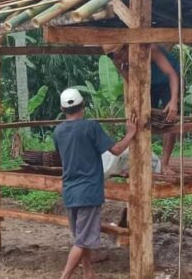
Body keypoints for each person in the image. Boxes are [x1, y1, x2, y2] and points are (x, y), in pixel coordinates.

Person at [53, 88, 138, 279]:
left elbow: (63, 157)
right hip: (88, 192)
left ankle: (88, 272)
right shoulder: (91, 127)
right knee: (82, 241)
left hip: (69, 191)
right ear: (83, 105)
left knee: (80, 237)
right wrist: (131, 133)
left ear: (62, 108)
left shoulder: (58, 132)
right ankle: (64, 276)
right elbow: (116, 150)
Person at [107, 44, 180, 174]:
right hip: (148, 82)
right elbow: (131, 82)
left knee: (170, 118)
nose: (118, 60)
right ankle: (136, 159)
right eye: (113, 57)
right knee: (139, 116)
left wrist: (173, 100)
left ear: (126, 48)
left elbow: (172, 74)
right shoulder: (116, 59)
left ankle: (165, 163)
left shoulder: (150, 50)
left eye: (119, 56)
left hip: (168, 81)